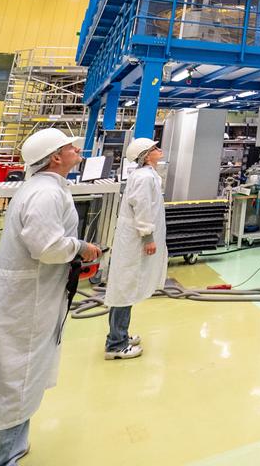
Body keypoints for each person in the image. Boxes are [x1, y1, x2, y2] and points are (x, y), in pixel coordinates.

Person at [0, 128, 100, 466]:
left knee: (11, 383)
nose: (78, 150)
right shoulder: (46, 194)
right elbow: (47, 247)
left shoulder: (43, 188)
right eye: (70, 147)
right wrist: (81, 247)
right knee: (14, 385)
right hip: (26, 305)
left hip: (28, 297)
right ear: (55, 158)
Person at [102, 137, 166, 360]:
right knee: (124, 288)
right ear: (146, 156)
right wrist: (148, 237)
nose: (159, 150)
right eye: (155, 149)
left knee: (127, 287)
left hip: (135, 240)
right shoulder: (144, 178)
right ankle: (116, 344)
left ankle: (120, 334)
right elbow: (142, 209)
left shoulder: (147, 176)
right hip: (135, 241)